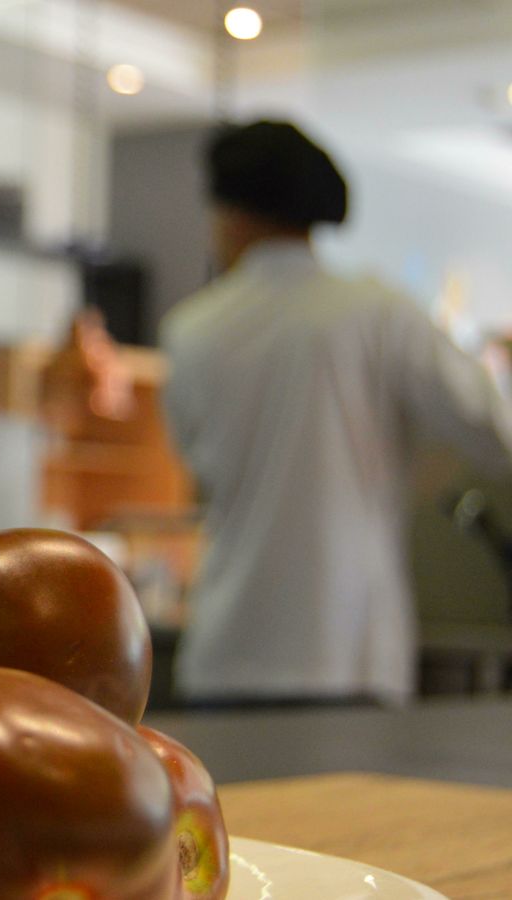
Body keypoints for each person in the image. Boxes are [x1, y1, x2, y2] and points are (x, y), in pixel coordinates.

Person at [161, 120, 512, 706]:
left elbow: (200, 468)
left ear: (231, 212)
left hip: (225, 652)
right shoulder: (380, 314)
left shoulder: (190, 330)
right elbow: (491, 431)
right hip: (348, 656)